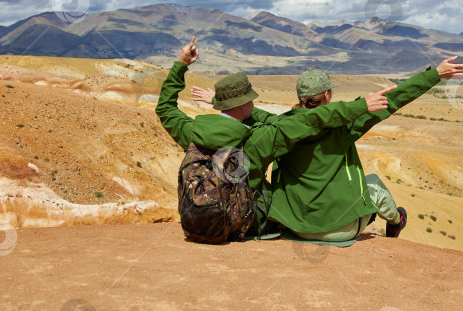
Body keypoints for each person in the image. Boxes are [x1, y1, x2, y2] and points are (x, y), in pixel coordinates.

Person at [191, 57, 463, 241]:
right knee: (372, 184)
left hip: (294, 226)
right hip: (339, 231)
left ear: (301, 98)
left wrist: (218, 100)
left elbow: (260, 116)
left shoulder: (285, 126)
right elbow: (396, 98)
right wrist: (435, 74)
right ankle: (396, 219)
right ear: (328, 94)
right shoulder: (346, 127)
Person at [155, 37, 395, 235]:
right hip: (245, 223)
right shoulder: (260, 139)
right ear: (243, 104)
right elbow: (309, 120)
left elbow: (165, 109)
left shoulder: (193, 132)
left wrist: (181, 64)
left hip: (196, 220)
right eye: (250, 99)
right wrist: (362, 105)